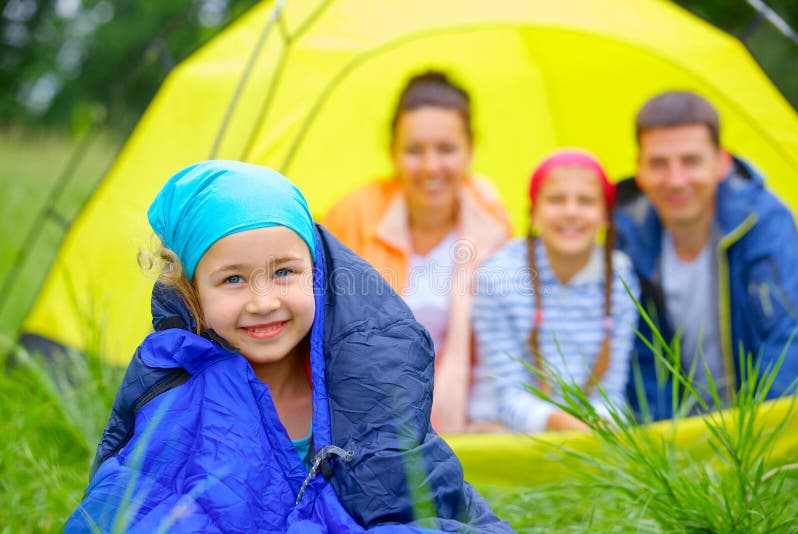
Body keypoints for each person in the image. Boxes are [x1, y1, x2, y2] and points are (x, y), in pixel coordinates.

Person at [65, 161, 512, 532]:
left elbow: (426, 494)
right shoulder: (176, 395)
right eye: (233, 279)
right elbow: (138, 505)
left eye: (284, 273)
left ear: (316, 273)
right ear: (190, 290)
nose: (264, 302)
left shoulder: (368, 379)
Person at [324, 71, 512, 434]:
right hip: (367, 424)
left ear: (469, 150)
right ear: (393, 152)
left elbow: (500, 346)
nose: (430, 167)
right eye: (414, 151)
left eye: (446, 149)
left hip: (466, 425)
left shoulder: (492, 227)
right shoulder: (352, 216)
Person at [615, 91, 798, 421]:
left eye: (691, 161)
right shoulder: (627, 238)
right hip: (678, 442)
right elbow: (639, 361)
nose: (675, 180)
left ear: (721, 163)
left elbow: (788, 339)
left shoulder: (764, 223)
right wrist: (670, 454)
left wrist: (753, 446)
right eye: (659, 163)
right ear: (639, 170)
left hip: (758, 432)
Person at [472, 149, 640, 433]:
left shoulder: (621, 277)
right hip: (508, 432)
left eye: (586, 201)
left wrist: (600, 423)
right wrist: (560, 423)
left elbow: (611, 392)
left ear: (605, 217)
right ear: (534, 213)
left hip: (592, 432)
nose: (571, 212)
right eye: (556, 200)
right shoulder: (497, 278)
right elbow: (508, 394)